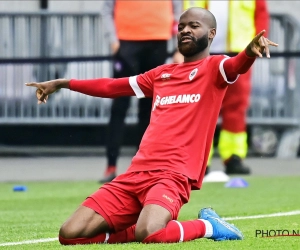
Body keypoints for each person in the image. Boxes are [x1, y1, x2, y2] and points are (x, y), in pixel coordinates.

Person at [25, 7, 277, 246]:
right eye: (181, 26)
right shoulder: (161, 74)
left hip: (172, 175)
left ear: (211, 34)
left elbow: (236, 66)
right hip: (135, 174)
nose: (185, 30)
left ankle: (208, 226)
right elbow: (112, 87)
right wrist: (65, 83)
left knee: (152, 233)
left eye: (194, 25)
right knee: (70, 235)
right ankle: (139, 228)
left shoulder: (215, 68)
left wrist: (249, 52)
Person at [179, 0, 270, 175]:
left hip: (239, 50)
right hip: (203, 50)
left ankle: (233, 156)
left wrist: (259, 40)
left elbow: (261, 13)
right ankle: (199, 159)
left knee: (236, 105)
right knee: (199, 106)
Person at [99, 0, 182, 183]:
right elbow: (106, 9)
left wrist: (178, 46)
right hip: (126, 42)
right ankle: (111, 165)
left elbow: (178, 7)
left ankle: (143, 166)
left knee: (150, 107)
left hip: (158, 41)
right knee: (119, 104)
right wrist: (113, 41)